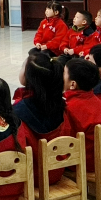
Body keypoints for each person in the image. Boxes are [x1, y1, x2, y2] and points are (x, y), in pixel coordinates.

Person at [13, 51, 71, 184]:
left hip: (33, 176)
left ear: (29, 77)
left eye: (23, 66)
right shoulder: (61, 104)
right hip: (57, 170)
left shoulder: (18, 111)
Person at [63, 58, 101, 172]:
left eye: (64, 73)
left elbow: (65, 140)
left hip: (85, 161)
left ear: (72, 84)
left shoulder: (70, 107)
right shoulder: (93, 97)